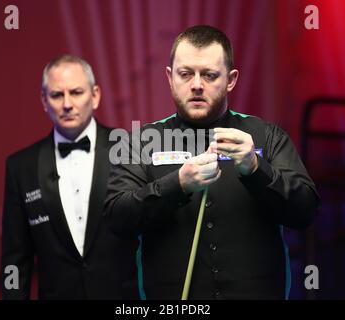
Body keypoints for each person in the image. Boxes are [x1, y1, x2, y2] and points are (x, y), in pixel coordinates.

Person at [104, 25, 320, 299]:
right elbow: (117, 218)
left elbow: (306, 212)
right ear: (170, 77)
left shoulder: (267, 136)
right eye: (185, 74)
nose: (196, 84)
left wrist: (256, 168)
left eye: (209, 75)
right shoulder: (139, 142)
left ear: (230, 80)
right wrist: (177, 185)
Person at [1, 55, 138, 299]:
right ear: (44, 100)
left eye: (76, 92)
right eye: (56, 95)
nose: (67, 104)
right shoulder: (21, 167)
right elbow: (15, 260)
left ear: (95, 95)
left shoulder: (130, 148)